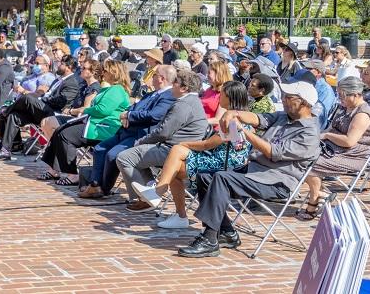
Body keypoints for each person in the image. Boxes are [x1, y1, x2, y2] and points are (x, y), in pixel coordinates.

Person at [177, 79, 321, 258]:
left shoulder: (309, 134)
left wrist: (244, 132)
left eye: (288, 97)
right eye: (283, 96)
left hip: (276, 182)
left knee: (222, 178)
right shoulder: (283, 117)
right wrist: (233, 113)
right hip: (255, 171)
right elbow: (258, 118)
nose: (283, 99)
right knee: (205, 177)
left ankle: (209, 239)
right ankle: (227, 233)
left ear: (304, 103)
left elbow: (271, 152)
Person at [132, 81, 253, 229]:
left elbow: (208, 144)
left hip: (224, 165)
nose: (219, 96)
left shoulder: (232, 120)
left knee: (176, 152)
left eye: (222, 94)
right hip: (220, 159)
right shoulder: (244, 117)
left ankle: (163, 196)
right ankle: (167, 201)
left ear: (231, 98)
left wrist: (185, 144)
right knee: (175, 164)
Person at [78, 65, 177, 199]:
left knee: (113, 154)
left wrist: (129, 116)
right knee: (100, 148)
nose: (151, 77)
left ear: (161, 78)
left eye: (154, 75)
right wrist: (126, 114)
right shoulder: (152, 93)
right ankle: (95, 185)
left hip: (142, 134)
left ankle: (103, 188)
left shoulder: (169, 95)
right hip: (127, 130)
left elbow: (155, 115)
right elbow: (134, 106)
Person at [115, 70, 209, 212]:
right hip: (178, 148)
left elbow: (163, 132)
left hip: (172, 150)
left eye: (175, 83)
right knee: (135, 156)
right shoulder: (192, 101)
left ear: (184, 88)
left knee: (124, 157)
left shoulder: (183, 105)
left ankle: (144, 199)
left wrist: (141, 141)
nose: (172, 86)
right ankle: (149, 189)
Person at [37, 60, 131, 186]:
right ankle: (54, 169)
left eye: (105, 71)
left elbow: (102, 110)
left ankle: (72, 174)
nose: (102, 73)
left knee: (65, 135)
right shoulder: (110, 89)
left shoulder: (117, 90)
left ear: (113, 73)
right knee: (60, 131)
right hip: (96, 124)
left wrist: (84, 110)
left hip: (104, 128)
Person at [298, 76, 370, 221]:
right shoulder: (344, 107)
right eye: (338, 93)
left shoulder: (362, 114)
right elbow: (330, 128)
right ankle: (321, 194)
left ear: (356, 94)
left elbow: (350, 141)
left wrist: (327, 136)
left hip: (352, 155)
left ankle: (314, 200)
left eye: (343, 94)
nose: (339, 97)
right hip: (333, 148)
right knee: (297, 154)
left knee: (307, 162)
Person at [0, 54, 79, 161]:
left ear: (69, 67)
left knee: (28, 97)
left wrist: (41, 99)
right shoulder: (59, 80)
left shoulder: (71, 83)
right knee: (14, 116)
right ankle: (5, 150)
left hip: (54, 114)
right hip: (43, 110)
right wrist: (42, 97)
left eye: (62, 64)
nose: (58, 65)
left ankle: (3, 111)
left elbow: (60, 102)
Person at [40, 58, 101, 139]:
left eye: (84, 68)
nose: (81, 70)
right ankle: (55, 148)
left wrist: (70, 111)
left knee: (48, 122)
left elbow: (86, 109)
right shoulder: (85, 86)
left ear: (92, 72)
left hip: (81, 121)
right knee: (44, 122)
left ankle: (57, 148)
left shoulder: (93, 88)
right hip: (74, 116)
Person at [299, 59, 336, 129]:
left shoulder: (325, 90)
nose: (305, 70)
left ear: (319, 72)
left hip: (311, 128)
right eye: (305, 68)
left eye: (308, 69)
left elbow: (318, 116)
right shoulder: (308, 84)